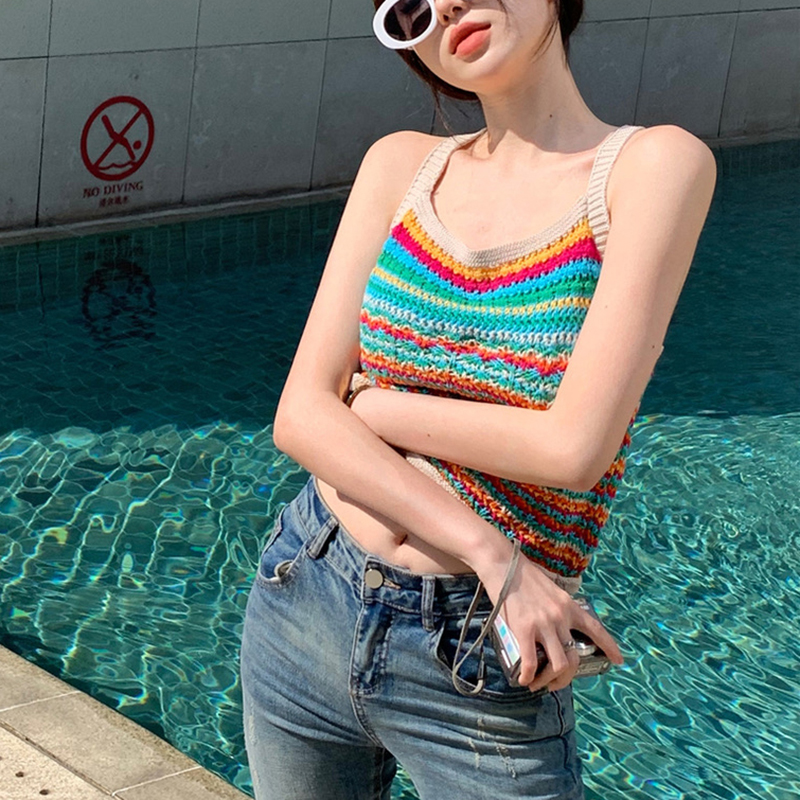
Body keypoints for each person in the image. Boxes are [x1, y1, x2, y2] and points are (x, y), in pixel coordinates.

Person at [239, 1, 717, 798]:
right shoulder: (401, 165)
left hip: (481, 646)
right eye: (409, 10)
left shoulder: (652, 167)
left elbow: (573, 449)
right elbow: (299, 417)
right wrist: (495, 555)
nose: (447, 6)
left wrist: (373, 410)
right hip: (311, 588)